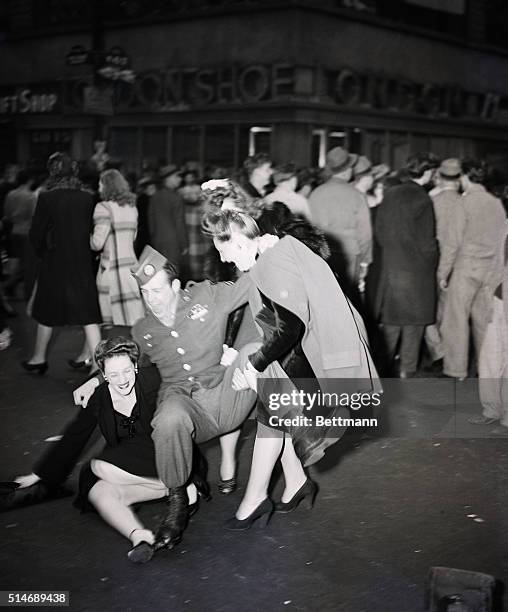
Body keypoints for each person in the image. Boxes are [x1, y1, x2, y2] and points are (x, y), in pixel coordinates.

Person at [72, 246, 260, 550]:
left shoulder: (207, 296)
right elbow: (127, 361)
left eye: (158, 290)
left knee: (254, 353)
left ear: (175, 286)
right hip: (185, 403)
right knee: (168, 417)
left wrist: (273, 249)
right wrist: (95, 381)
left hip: (227, 392)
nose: (153, 300)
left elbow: (253, 283)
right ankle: (177, 504)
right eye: (146, 293)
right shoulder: (144, 329)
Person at [202, 208, 380, 529]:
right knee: (274, 418)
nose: (224, 258)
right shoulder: (270, 257)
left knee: (272, 419)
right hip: (296, 361)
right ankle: (296, 483)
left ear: (239, 240)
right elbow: (269, 319)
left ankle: (255, 499)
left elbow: (289, 327)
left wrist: (255, 365)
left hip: (303, 364)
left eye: (223, 249)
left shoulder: (272, 261)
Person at [10, 337, 208, 564]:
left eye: (126, 371)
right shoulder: (99, 397)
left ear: (135, 366)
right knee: (98, 491)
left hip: (168, 454)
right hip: (130, 464)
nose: (122, 380)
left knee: (99, 466)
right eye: (113, 375)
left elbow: (174, 366)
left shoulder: (152, 380)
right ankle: (139, 536)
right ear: (102, 375)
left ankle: (180, 485)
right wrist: (39, 474)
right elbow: (76, 435)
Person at [23, 152, 101, 374]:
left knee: (46, 310)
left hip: (54, 260)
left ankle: (38, 359)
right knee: (88, 313)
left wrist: (42, 253)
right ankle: (96, 364)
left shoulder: (47, 198)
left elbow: (36, 234)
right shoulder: (87, 197)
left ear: (52, 172)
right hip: (81, 260)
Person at [439, 159, 506, 380]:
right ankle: (485, 369)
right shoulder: (496, 203)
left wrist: (443, 273)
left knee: (456, 320)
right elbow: (501, 240)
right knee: (483, 320)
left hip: (466, 267)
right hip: (491, 269)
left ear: (465, 177)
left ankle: (456, 370)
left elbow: (452, 243)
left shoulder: (464, 203)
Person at [374, 153, 439, 377]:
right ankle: (407, 372)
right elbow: (428, 243)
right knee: (414, 327)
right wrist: (431, 264)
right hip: (417, 273)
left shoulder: (390, 194)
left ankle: (380, 374)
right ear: (428, 173)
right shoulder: (423, 199)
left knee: (390, 326)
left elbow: (379, 232)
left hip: (391, 270)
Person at [308, 146, 372, 301]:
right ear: (348, 169)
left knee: (325, 298)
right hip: (350, 254)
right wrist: (365, 261)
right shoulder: (356, 195)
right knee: (348, 300)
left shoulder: (315, 193)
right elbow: (365, 234)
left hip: (322, 254)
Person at [91, 168, 144, 328]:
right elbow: (133, 238)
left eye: (100, 184)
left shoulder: (103, 208)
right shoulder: (132, 208)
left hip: (111, 271)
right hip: (130, 269)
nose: (99, 188)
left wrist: (87, 237)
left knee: (113, 323)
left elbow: (97, 243)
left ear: (107, 186)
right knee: (134, 319)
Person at [148, 164, 188, 273]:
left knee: (160, 273)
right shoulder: (176, 198)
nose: (180, 179)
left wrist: (154, 238)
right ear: (168, 179)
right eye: (177, 176)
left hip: (158, 240)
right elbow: (179, 223)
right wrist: (183, 244)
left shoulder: (154, 197)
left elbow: (151, 221)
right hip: (173, 242)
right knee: (172, 273)